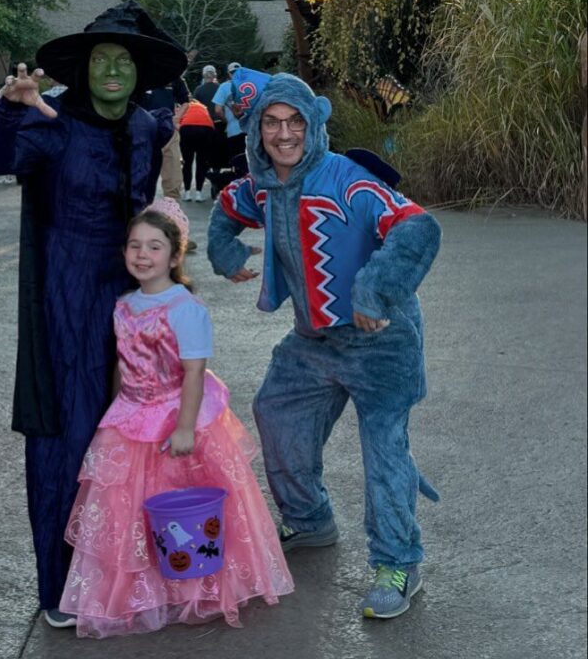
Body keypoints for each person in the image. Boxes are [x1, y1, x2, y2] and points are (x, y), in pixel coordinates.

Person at [0, 0, 189, 627]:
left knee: (138, 430)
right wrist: (11, 107)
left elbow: (155, 169)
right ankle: (62, 585)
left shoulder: (149, 126)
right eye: (103, 61)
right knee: (68, 437)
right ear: (85, 70)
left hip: (134, 294)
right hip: (68, 294)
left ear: (138, 71)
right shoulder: (54, 126)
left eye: (125, 60)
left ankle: (130, 569)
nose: (114, 70)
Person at [207, 70, 442, 620]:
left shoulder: (348, 178)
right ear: (256, 130)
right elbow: (227, 208)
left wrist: (375, 290)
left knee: (384, 450)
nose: (283, 134)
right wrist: (225, 253)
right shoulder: (261, 183)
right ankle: (309, 519)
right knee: (275, 410)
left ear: (313, 124)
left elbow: (417, 226)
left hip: (380, 341)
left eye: (294, 122)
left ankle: (398, 563)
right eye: (271, 123)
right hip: (312, 342)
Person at [57, 198, 293, 636]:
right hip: (131, 416)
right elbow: (121, 364)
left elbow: (194, 371)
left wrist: (185, 427)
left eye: (154, 246)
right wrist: (115, 412)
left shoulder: (185, 308)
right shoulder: (124, 304)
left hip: (176, 415)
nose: (142, 255)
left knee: (184, 507)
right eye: (134, 246)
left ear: (176, 255)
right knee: (129, 511)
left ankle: (195, 586)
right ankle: (146, 591)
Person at [141, 76, 190, 201]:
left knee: (173, 173)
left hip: (168, 129)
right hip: (143, 129)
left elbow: (185, 101)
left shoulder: (174, 76)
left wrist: (177, 118)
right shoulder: (140, 73)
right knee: (143, 173)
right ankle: (141, 207)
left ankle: (172, 207)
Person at [178, 98, 215, 201]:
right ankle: (199, 193)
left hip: (187, 128)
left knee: (187, 162)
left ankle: (187, 192)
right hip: (206, 129)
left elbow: (178, 123)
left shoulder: (184, 107)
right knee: (201, 162)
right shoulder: (203, 108)